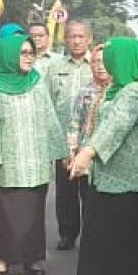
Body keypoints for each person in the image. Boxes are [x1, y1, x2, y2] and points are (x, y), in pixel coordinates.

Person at [63, 37, 138, 275]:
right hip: (102, 173)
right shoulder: (112, 88)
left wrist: (88, 152)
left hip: (128, 174)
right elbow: (96, 124)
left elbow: (116, 125)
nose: (106, 63)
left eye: (111, 57)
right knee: (94, 229)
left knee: (127, 232)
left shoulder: (135, 90)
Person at [0, 33, 69, 275]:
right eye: (23, 53)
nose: (29, 58)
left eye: (31, 53)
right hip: (8, 163)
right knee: (6, 214)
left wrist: (61, 153)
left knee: (33, 214)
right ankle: (4, 259)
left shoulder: (37, 83)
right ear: (9, 56)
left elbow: (50, 119)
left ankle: (33, 260)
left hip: (36, 162)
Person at [46, 20, 95, 251]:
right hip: (62, 139)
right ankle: (67, 233)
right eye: (72, 36)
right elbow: (47, 102)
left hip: (89, 141)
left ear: (89, 39)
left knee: (88, 190)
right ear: (65, 40)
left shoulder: (96, 65)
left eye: (81, 37)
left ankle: (91, 234)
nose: (76, 41)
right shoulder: (55, 67)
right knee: (65, 192)